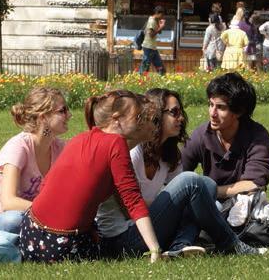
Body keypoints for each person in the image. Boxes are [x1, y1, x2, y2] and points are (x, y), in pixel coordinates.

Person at [96, 88, 263, 258]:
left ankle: (181, 245)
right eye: (174, 112)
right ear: (156, 114)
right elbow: (129, 208)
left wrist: (177, 204)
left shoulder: (168, 154)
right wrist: (169, 204)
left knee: (207, 186)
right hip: (123, 239)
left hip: (146, 230)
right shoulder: (132, 151)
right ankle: (230, 243)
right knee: (191, 181)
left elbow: (190, 200)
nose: (181, 118)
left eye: (180, 112)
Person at [19, 90, 162, 263]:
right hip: (59, 246)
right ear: (117, 119)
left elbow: (46, 185)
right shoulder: (116, 143)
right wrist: (154, 249)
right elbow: (132, 199)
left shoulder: (80, 138)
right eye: (137, 117)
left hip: (29, 234)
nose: (141, 123)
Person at [0, 87, 70, 234]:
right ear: (43, 117)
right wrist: (50, 211)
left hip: (35, 220)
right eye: (62, 111)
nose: (69, 115)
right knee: (15, 218)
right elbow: (9, 202)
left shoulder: (60, 149)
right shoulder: (18, 147)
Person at [181, 72, 269, 200]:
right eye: (211, 104)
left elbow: (254, 185)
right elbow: (177, 174)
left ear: (239, 111)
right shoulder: (202, 134)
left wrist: (208, 192)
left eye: (221, 107)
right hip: (209, 206)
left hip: (243, 207)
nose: (212, 113)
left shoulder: (257, 137)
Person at [139, 6, 167, 75]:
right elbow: (151, 35)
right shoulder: (151, 21)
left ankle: (163, 80)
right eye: (162, 15)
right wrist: (161, 27)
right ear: (157, 13)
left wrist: (160, 25)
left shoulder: (155, 20)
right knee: (145, 66)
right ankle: (140, 81)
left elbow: (159, 32)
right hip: (148, 47)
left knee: (160, 67)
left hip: (153, 47)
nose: (162, 17)